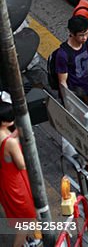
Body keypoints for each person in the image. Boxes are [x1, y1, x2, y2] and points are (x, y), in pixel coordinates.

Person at [0, 103, 37, 247]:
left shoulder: (4, 135)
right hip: (16, 181)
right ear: (5, 121)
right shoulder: (10, 143)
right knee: (26, 218)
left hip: (4, 179)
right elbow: (21, 164)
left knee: (20, 214)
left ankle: (32, 238)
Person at [54, 13, 88, 104]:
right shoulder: (63, 54)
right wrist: (68, 101)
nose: (85, 38)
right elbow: (62, 82)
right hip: (75, 92)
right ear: (71, 33)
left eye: (86, 33)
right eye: (81, 35)